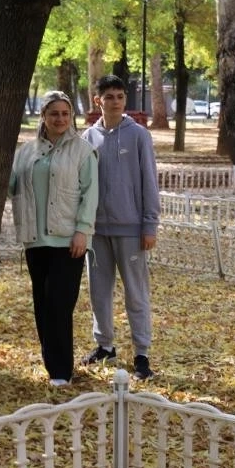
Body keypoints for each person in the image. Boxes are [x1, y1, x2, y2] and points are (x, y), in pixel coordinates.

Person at [9, 91, 99, 387]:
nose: (60, 119)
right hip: (35, 240)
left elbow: (90, 194)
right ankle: (52, 367)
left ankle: (62, 371)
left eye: (64, 113)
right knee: (42, 305)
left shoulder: (83, 151)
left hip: (68, 242)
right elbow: (12, 185)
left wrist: (82, 231)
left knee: (60, 305)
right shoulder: (26, 151)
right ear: (43, 117)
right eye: (54, 114)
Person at [81, 74, 161, 381]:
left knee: (135, 294)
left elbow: (148, 182)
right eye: (109, 96)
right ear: (97, 100)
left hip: (131, 229)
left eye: (120, 96)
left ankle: (142, 354)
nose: (115, 101)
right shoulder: (88, 138)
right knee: (99, 291)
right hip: (97, 231)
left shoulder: (138, 135)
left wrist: (149, 224)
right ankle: (105, 346)